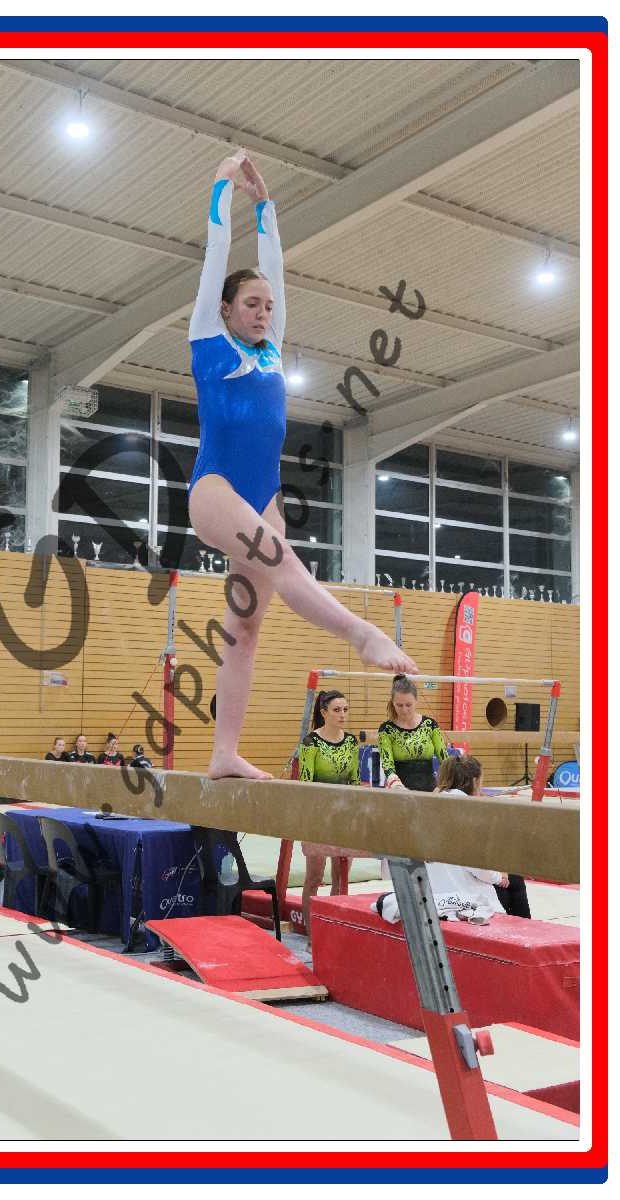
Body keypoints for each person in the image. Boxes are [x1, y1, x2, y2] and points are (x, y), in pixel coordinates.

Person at [186, 148, 417, 781]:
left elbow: (277, 271)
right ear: (226, 309)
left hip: (264, 495)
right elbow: (215, 257)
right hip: (215, 490)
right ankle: (362, 634)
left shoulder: (271, 350)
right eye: (251, 304)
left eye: (267, 306)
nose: (263, 312)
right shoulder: (208, 338)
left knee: (245, 630)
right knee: (283, 561)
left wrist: (267, 206)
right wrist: (222, 187)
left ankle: (224, 752)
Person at [377, 754, 509, 924]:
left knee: (509, 881)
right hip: (460, 896)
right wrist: (499, 877)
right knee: (512, 881)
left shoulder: (428, 805)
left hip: (434, 889)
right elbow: (477, 867)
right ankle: (522, 928)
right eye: (481, 782)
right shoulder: (470, 812)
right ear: (475, 781)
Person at [298, 690, 364, 940]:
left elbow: (355, 781)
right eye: (337, 710)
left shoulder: (351, 742)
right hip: (318, 815)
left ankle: (333, 931)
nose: (343, 714)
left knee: (340, 876)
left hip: (344, 815)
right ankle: (312, 935)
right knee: (315, 876)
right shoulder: (311, 742)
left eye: (346, 709)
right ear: (324, 712)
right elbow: (305, 784)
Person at [377, 675, 450, 792]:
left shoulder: (430, 725)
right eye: (399, 705)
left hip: (430, 791)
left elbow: (445, 760)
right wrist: (397, 786)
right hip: (399, 790)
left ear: (416, 701)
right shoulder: (386, 730)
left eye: (408, 705)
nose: (404, 710)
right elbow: (387, 765)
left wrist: (443, 786)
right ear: (393, 703)